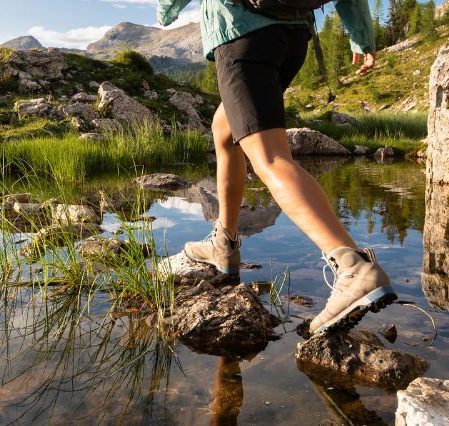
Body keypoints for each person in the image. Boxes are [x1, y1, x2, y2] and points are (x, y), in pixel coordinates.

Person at [157, 0, 397, 334]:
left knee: (269, 158)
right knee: (224, 130)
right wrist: (362, 37)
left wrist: (166, 9)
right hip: (292, 35)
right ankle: (224, 242)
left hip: (242, 31)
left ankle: (352, 266)